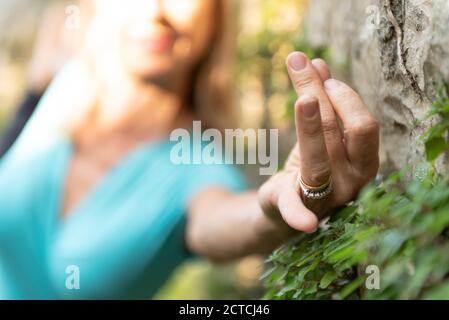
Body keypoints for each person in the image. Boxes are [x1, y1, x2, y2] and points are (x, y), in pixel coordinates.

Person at [0, 0, 379, 299]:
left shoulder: (198, 167)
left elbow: (223, 220)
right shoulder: (60, 88)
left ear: (214, 18)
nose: (154, 12)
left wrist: (285, 202)